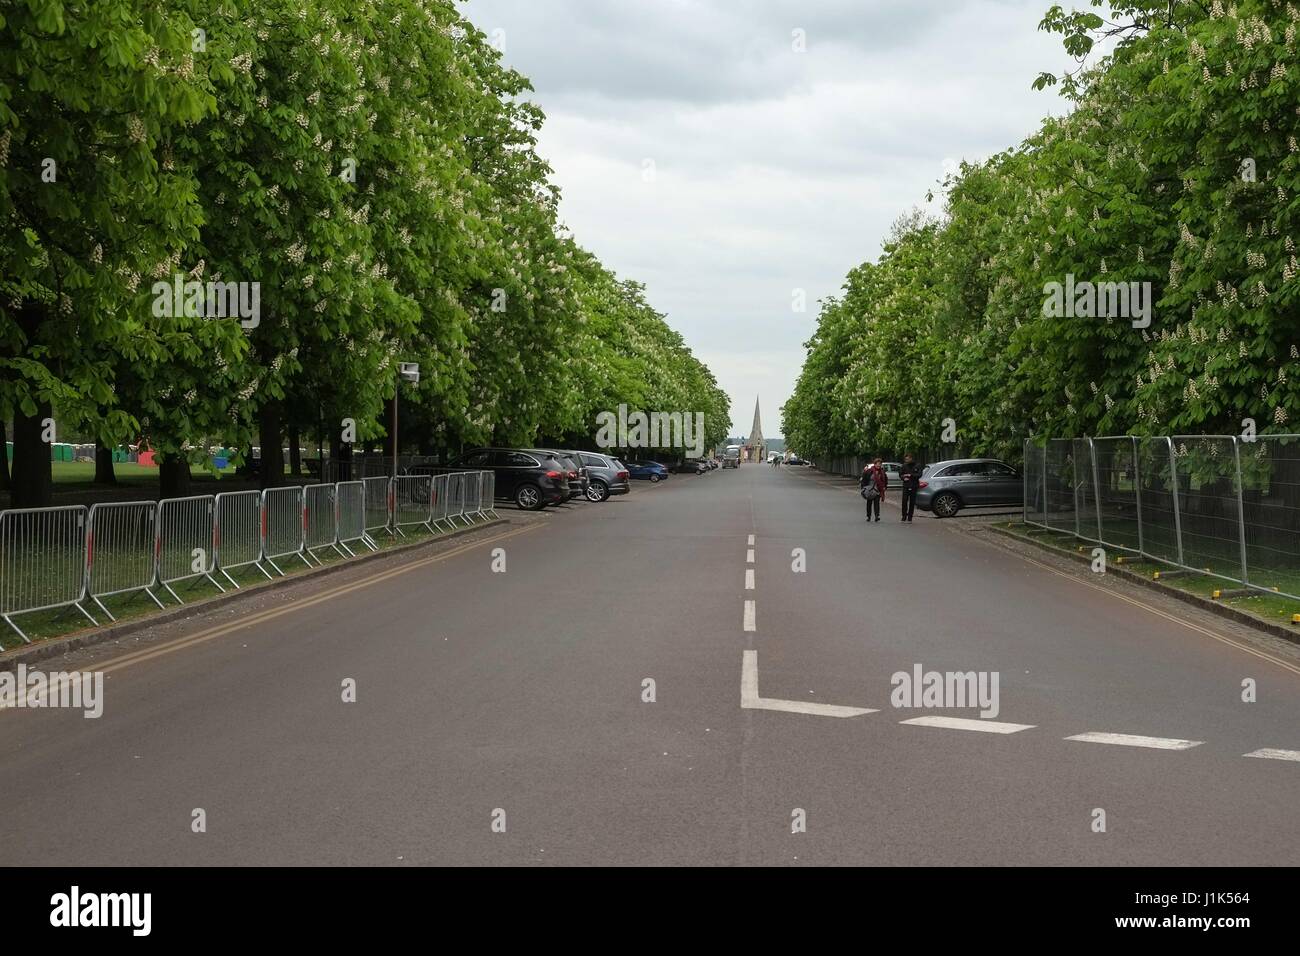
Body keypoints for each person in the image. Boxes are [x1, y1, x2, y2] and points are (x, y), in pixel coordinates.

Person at [860, 457, 886, 522]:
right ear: (874, 464)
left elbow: (885, 480)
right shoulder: (870, 471)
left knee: (877, 503)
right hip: (870, 489)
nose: (878, 465)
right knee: (869, 503)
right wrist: (863, 488)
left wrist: (885, 487)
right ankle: (868, 516)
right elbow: (864, 479)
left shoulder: (882, 472)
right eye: (877, 464)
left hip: (878, 490)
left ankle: (877, 516)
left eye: (880, 464)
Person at [899, 453, 921, 522]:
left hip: (914, 485)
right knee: (904, 501)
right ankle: (904, 516)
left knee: (912, 502)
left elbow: (919, 474)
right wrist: (903, 478)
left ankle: (910, 517)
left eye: (907, 459)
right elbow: (900, 474)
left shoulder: (917, 465)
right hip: (906, 485)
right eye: (905, 459)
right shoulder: (904, 465)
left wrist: (911, 475)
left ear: (911, 458)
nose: (906, 460)